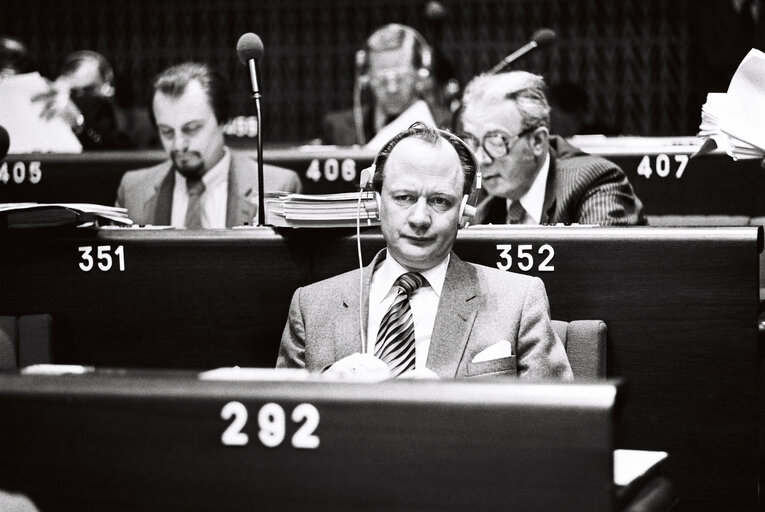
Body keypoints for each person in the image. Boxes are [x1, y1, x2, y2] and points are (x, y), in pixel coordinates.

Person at [278, 122, 573, 379]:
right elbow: (281, 427)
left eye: (440, 201)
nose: (419, 218)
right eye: (404, 197)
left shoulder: (518, 303)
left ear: (464, 210)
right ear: (377, 202)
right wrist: (327, 390)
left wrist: (448, 407)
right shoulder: (311, 307)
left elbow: (559, 429)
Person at [116, 62, 301, 228]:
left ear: (223, 120)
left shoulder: (277, 187)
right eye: (167, 132)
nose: (179, 145)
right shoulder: (133, 190)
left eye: (191, 129)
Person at [459, 71, 647, 226]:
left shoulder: (595, 183)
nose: (481, 159)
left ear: (538, 142)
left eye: (497, 141)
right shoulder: (478, 200)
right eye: (472, 141)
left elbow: (596, 265)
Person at [321, 24, 451, 148]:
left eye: (400, 78)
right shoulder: (338, 129)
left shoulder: (446, 125)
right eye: (381, 80)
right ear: (366, 78)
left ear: (419, 74)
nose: (392, 89)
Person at [32, 50, 135, 149]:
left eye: (88, 90)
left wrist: (80, 124)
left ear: (105, 91)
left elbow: (116, 150)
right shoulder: (52, 105)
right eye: (74, 92)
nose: (80, 98)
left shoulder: (106, 114)